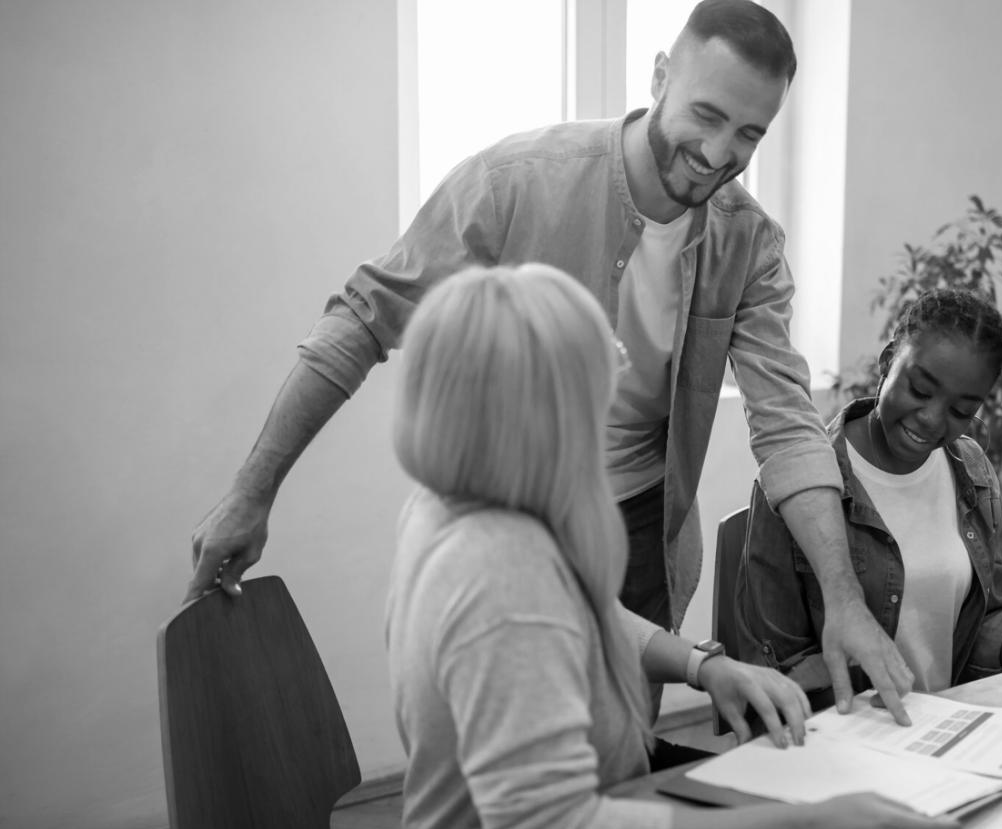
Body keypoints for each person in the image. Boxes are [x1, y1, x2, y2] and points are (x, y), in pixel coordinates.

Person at [187, 0, 914, 721]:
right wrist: (253, 492)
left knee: (622, 754)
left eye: (750, 134)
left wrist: (843, 600)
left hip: (641, 531)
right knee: (515, 780)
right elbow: (364, 318)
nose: (722, 153)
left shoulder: (749, 243)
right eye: (708, 116)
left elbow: (786, 422)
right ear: (660, 77)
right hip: (510, 515)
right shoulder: (516, 182)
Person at [385, 263, 957, 829]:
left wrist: (702, 666)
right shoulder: (502, 566)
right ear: (541, 423)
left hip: (586, 802)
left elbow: (574, 616)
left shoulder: (454, 503)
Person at [737, 288, 1002, 698]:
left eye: (961, 411)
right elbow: (779, 664)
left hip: (942, 732)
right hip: (844, 739)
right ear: (887, 360)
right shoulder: (802, 483)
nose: (932, 420)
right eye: (919, 389)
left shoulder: (973, 472)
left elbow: (985, 621)